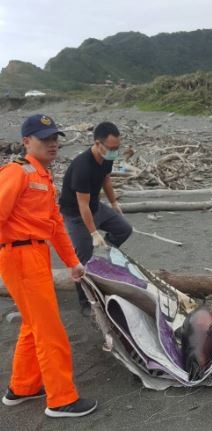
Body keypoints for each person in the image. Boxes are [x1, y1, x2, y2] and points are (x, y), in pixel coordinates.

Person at [0, 114, 97, 417]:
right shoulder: (17, 173)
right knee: (50, 330)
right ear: (26, 141)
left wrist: (73, 262)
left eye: (55, 138)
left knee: (34, 324)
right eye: (45, 138)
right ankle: (61, 399)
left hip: (35, 255)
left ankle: (23, 388)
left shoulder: (43, 177)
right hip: (20, 256)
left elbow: (55, 226)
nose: (53, 144)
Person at [59, 121, 132, 314]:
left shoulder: (106, 157)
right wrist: (93, 232)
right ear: (97, 143)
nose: (114, 152)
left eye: (117, 148)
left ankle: (103, 257)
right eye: (111, 148)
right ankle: (86, 303)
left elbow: (105, 179)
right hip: (76, 214)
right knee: (83, 259)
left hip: (95, 207)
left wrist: (114, 202)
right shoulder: (82, 166)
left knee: (124, 229)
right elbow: (82, 205)